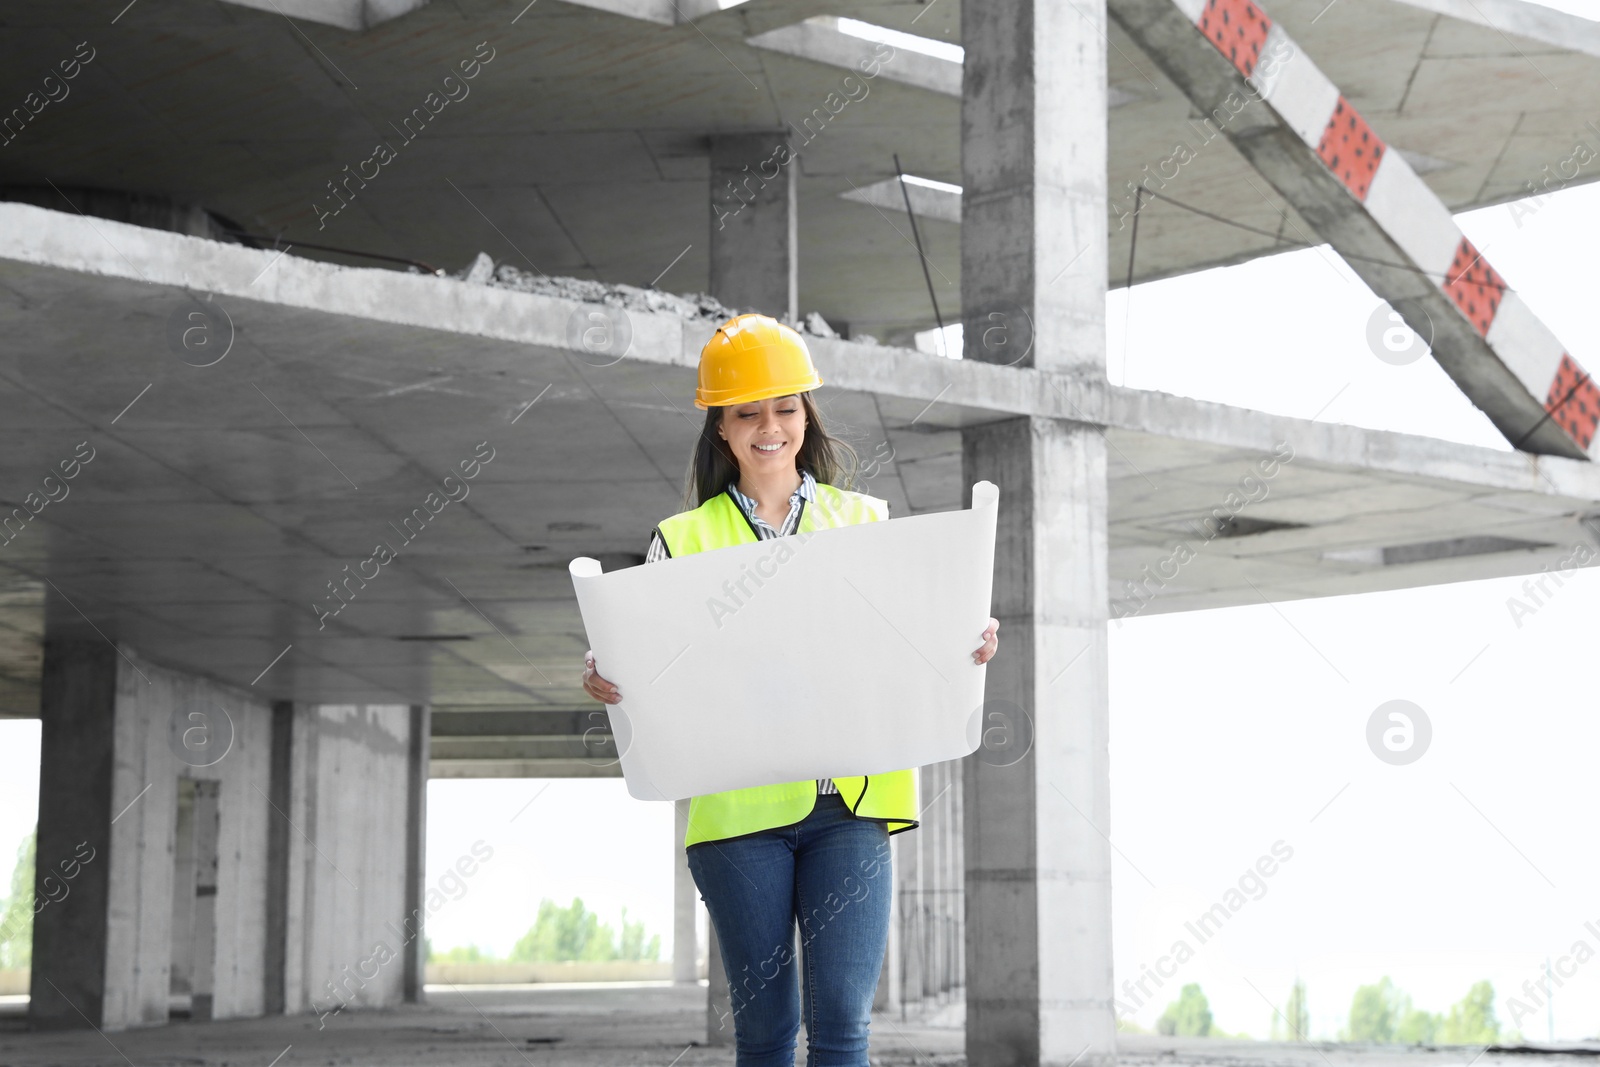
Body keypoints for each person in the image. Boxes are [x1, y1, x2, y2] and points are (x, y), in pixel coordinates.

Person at [580, 312, 998, 1065]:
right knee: (768, 1031)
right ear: (721, 430)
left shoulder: (865, 520)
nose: (769, 426)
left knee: (843, 1025)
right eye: (747, 412)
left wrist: (965, 635)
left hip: (853, 806)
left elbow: (906, 640)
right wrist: (608, 669)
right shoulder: (682, 539)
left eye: (784, 407)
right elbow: (651, 659)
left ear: (806, 414)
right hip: (738, 818)